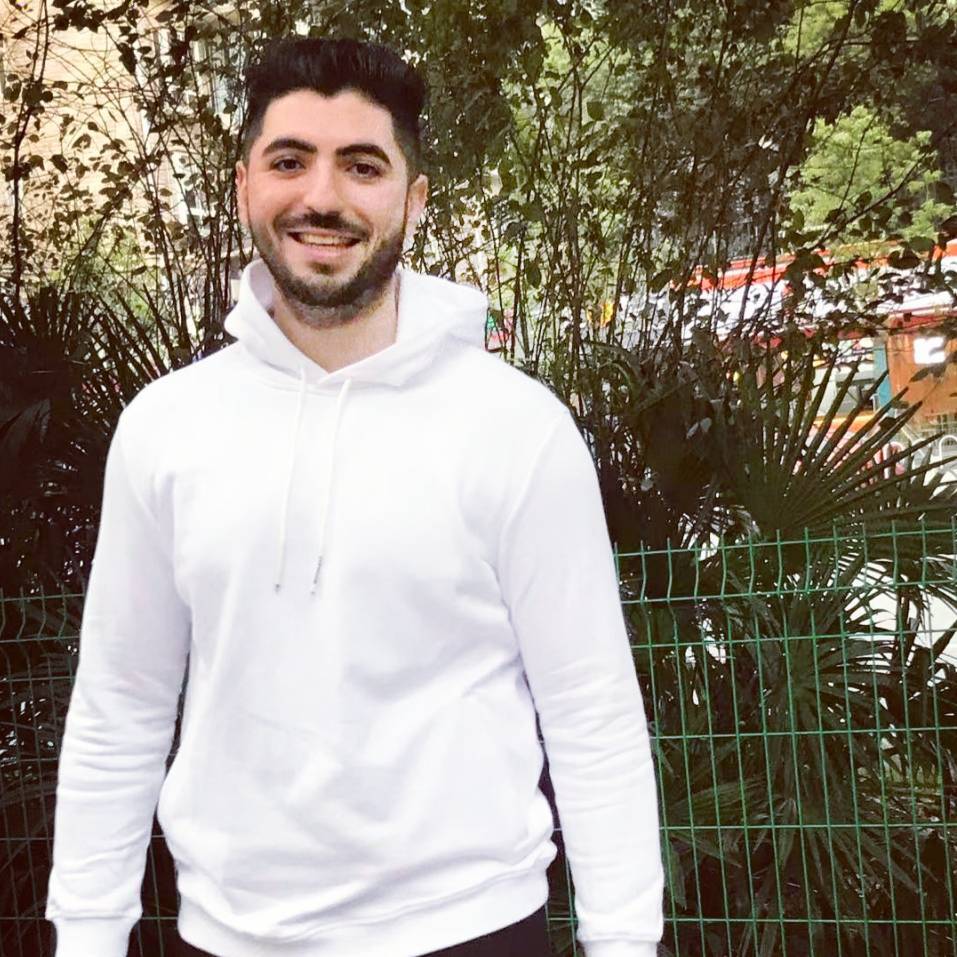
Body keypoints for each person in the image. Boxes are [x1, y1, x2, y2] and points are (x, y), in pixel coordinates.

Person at [44, 37, 664, 957]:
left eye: (362, 166)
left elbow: (590, 708)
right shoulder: (165, 428)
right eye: (289, 160)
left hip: (472, 928)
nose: (322, 196)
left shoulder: (516, 427)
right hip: (227, 936)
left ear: (414, 200)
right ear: (243, 187)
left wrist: (624, 941)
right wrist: (87, 936)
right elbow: (120, 703)